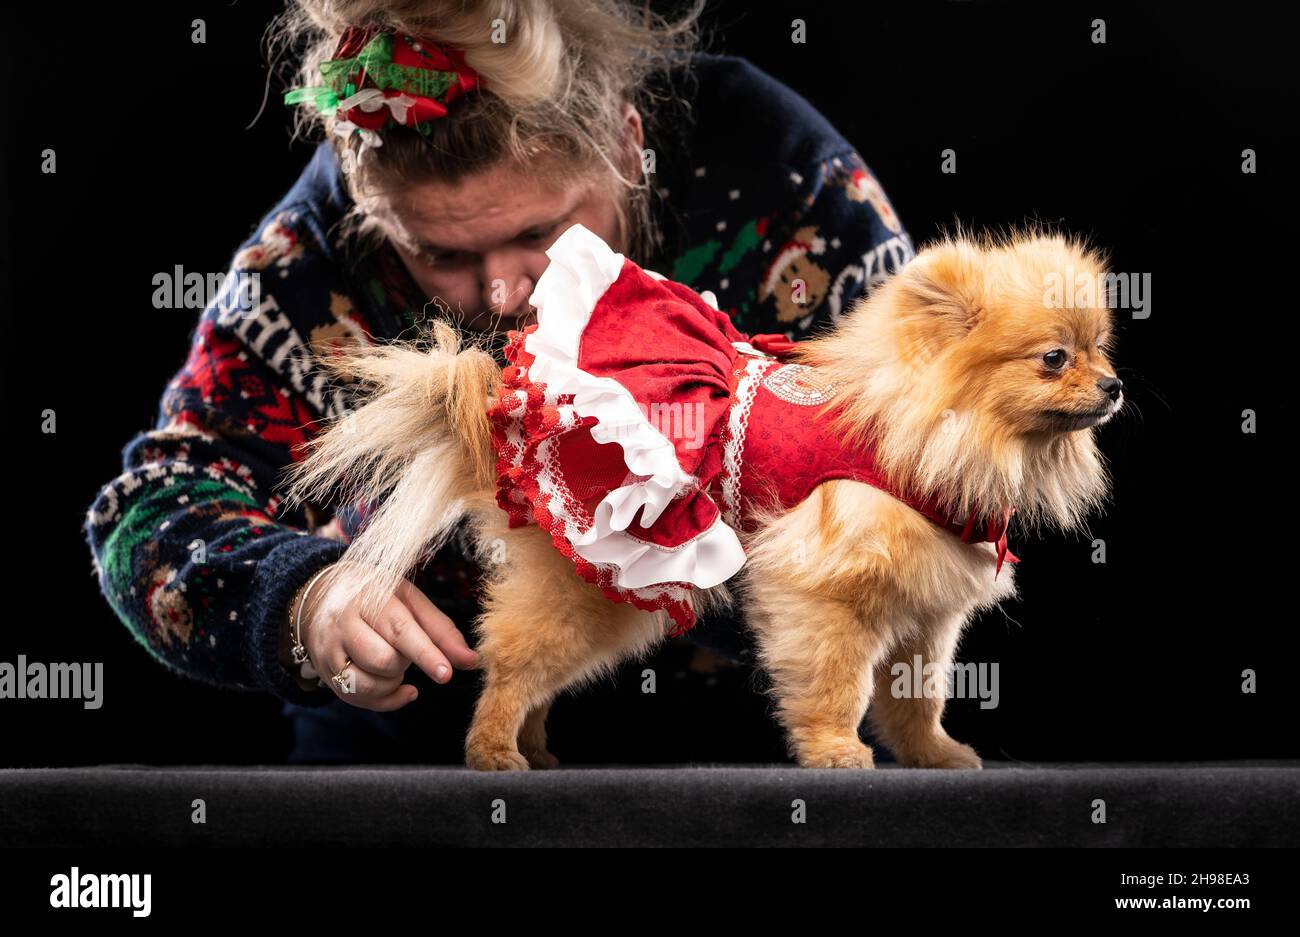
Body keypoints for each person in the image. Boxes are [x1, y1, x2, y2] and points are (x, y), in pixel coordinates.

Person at [84, 0, 915, 764]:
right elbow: (150, 509)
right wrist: (304, 602)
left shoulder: (785, 182)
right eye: (439, 254)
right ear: (370, 212)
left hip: (750, 751)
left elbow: (926, 484)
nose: (502, 292)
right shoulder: (311, 251)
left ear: (628, 144)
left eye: (538, 232)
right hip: (415, 759)